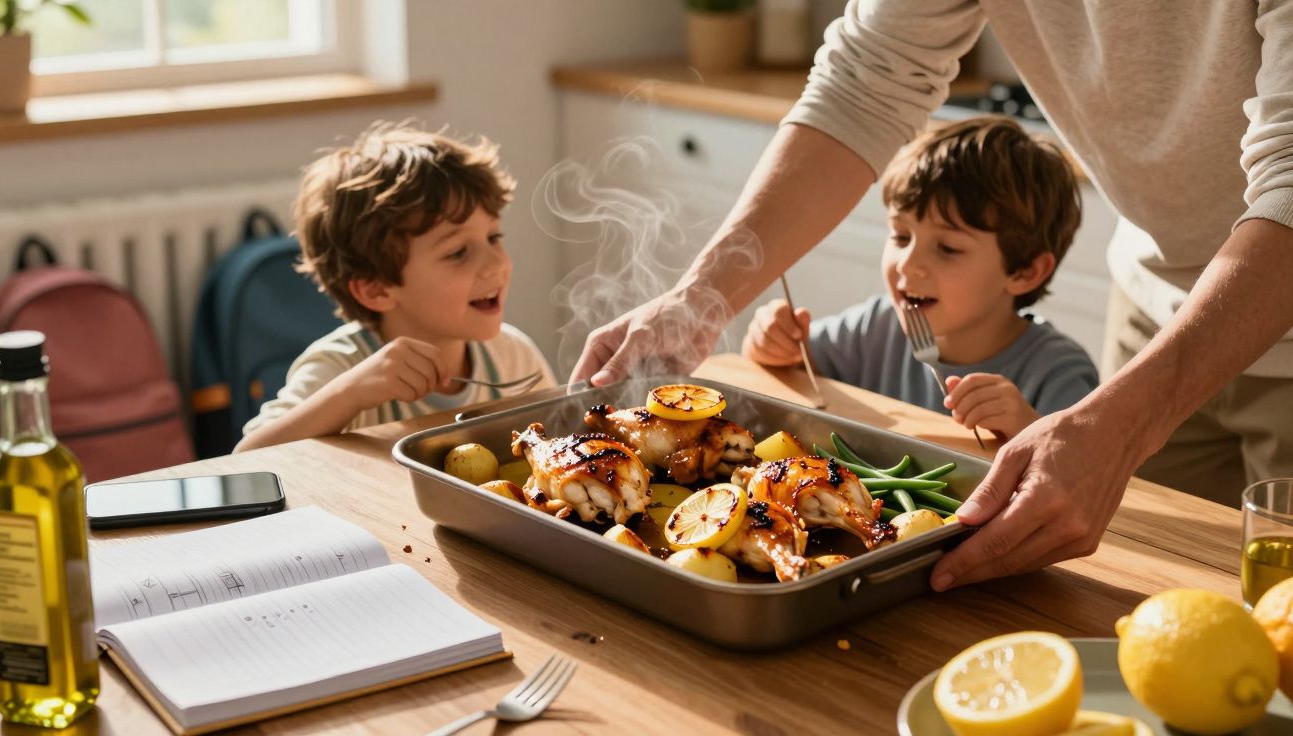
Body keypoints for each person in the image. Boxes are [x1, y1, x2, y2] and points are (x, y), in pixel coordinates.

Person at [570, 2, 1293, 591]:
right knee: (1163, 587)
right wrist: (699, 297)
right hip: (1157, 292)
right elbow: (864, 82)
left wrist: (1123, 420)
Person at [742, 117, 1097, 441]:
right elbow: (790, 373)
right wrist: (772, 346)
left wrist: (1027, 428)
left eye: (947, 248)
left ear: (1024, 272)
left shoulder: (1059, 372)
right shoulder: (876, 326)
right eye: (900, 236)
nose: (908, 264)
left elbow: (1089, 479)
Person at [237, 124, 556, 452]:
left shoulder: (515, 357)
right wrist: (350, 394)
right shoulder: (342, 366)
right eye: (457, 252)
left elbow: (559, 441)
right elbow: (246, 458)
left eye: (494, 237)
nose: (496, 264)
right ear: (376, 289)